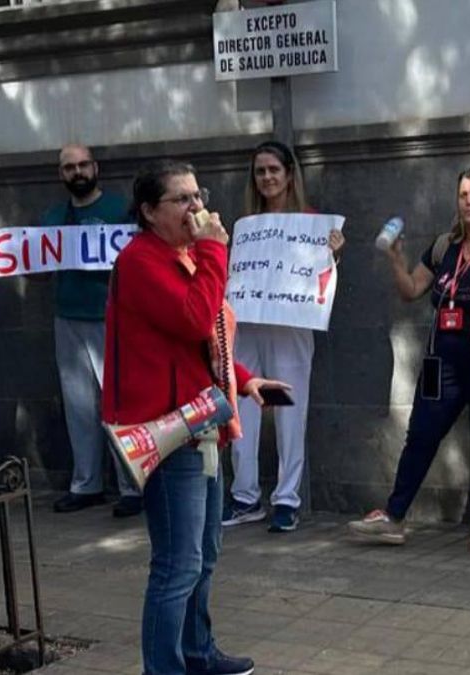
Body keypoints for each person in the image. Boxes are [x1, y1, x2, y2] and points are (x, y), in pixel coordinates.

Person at [104, 159, 288, 674]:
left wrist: (245, 376)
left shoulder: (181, 256)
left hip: (198, 423)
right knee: (176, 565)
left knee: (203, 556)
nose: (197, 207)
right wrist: (214, 249)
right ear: (148, 211)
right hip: (166, 433)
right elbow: (192, 318)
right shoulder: (142, 260)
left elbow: (208, 337)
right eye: (181, 199)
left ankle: (197, 653)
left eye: (197, 195)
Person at [347, 168, 470, 552]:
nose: (468, 200)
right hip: (444, 359)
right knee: (421, 435)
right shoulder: (443, 246)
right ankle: (394, 517)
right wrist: (397, 260)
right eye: (463, 193)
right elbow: (413, 289)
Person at [223, 140, 345, 532]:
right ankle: (244, 497)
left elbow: (322, 276)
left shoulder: (311, 221)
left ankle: (286, 499)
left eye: (274, 170)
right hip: (249, 324)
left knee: (290, 408)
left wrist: (334, 254)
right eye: (260, 171)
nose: (267, 178)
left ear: (289, 174)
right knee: (243, 406)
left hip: (290, 325)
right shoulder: (246, 225)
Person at [43, 144, 142, 517]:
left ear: (96, 167)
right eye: (70, 167)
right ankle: (87, 485)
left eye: (84, 164)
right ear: (61, 174)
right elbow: (31, 256)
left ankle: (131, 486)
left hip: (112, 318)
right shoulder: (53, 216)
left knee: (118, 404)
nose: (78, 172)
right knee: (78, 406)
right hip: (67, 316)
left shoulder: (119, 210)